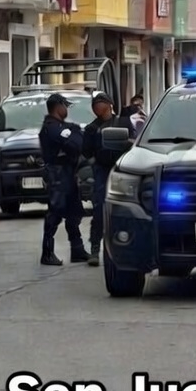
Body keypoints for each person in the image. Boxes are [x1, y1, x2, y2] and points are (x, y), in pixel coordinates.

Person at [81, 93, 134, 267]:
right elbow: (86, 152)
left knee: (126, 208)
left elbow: (133, 143)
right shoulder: (91, 128)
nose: (98, 107)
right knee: (99, 211)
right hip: (102, 171)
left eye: (101, 103)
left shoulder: (123, 123)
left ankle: (127, 246)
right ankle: (95, 248)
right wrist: (94, 165)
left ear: (110, 105)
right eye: (95, 104)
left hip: (121, 169)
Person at [37, 93, 88, 266]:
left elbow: (80, 142)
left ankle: (78, 249)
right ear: (57, 106)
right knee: (55, 212)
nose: (66, 109)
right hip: (57, 174)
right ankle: (47, 252)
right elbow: (75, 144)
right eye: (65, 105)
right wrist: (74, 133)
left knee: (74, 212)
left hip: (68, 172)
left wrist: (74, 132)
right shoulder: (51, 127)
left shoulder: (62, 126)